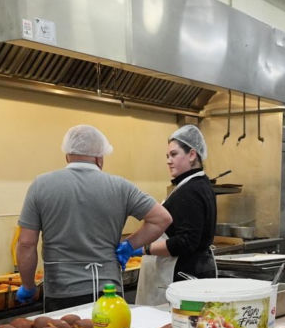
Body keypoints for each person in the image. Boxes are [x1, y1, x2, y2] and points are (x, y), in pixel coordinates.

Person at [15, 125, 171, 311]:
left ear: (67, 155)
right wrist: (129, 245)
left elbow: (26, 244)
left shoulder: (41, 185)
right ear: (99, 158)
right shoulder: (120, 187)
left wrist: (28, 285)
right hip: (108, 292)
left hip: (61, 293)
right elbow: (162, 218)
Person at [132, 125, 217, 305]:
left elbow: (186, 241)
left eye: (174, 154)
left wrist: (144, 249)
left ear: (192, 155)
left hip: (180, 277)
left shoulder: (191, 190)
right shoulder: (196, 184)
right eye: (167, 156)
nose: (169, 161)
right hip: (189, 273)